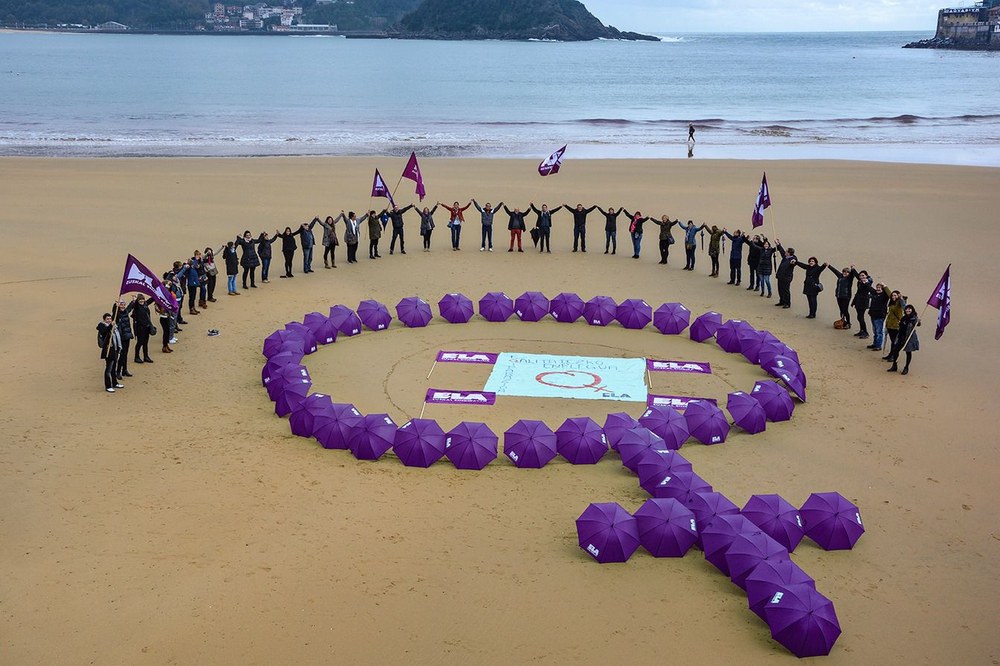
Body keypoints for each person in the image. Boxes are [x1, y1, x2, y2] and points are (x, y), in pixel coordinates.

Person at [887, 304, 920, 375]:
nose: (908, 310)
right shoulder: (903, 318)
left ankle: (906, 367)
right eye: (907, 309)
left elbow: (918, 324)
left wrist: (918, 321)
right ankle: (894, 365)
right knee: (895, 350)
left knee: (908, 352)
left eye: (909, 309)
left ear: (912, 310)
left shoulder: (914, 318)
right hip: (901, 337)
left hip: (909, 338)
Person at [97, 312, 125, 393]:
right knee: (108, 368)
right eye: (107, 319)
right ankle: (108, 386)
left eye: (110, 319)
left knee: (113, 367)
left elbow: (117, 313)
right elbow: (104, 332)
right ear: (104, 320)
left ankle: (115, 383)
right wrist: (110, 325)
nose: (109, 320)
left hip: (115, 349)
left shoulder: (114, 327)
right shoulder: (102, 326)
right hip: (108, 350)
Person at [113, 298, 135, 378]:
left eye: (123, 304)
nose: (122, 306)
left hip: (127, 336)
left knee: (125, 354)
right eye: (121, 304)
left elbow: (130, 307)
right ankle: (118, 371)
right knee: (121, 354)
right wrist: (115, 306)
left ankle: (124, 370)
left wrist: (133, 301)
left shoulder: (126, 312)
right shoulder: (117, 314)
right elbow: (114, 312)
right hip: (121, 337)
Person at [850, 266, 874, 339]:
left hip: (863, 302)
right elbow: (857, 275)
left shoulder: (868, 282)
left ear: (866, 276)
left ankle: (865, 332)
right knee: (859, 317)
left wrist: (865, 283)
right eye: (860, 275)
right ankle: (862, 330)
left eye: (863, 275)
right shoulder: (860, 281)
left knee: (861, 317)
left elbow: (870, 289)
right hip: (858, 301)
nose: (861, 276)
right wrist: (853, 269)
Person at [882, 290, 906, 360]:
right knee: (893, 341)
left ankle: (893, 356)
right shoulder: (891, 302)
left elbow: (904, 306)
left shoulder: (899, 302)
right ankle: (891, 354)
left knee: (895, 342)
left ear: (898, 295)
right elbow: (889, 294)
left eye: (895, 295)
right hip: (889, 325)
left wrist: (901, 298)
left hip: (896, 326)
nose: (893, 297)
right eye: (892, 295)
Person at [131, 294, 154, 364]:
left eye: (142, 299)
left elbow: (151, 299)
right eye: (140, 300)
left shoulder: (145, 305)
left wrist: (156, 293)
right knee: (139, 342)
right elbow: (134, 306)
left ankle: (146, 356)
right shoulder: (137, 307)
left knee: (145, 343)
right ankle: (136, 357)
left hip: (147, 327)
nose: (142, 301)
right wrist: (134, 301)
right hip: (140, 328)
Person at [774, 241, 797, 308]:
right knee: (780, 289)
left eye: (786, 251)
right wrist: (778, 244)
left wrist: (794, 262)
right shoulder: (785, 257)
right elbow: (781, 251)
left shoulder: (792, 259)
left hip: (786, 278)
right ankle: (782, 301)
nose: (785, 252)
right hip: (780, 276)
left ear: (789, 253)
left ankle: (787, 303)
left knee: (785, 290)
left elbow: (794, 262)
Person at [868, 282, 890, 351]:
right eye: (877, 287)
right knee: (875, 331)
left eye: (879, 288)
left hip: (880, 316)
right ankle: (875, 344)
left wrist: (885, 285)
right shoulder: (874, 294)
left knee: (879, 331)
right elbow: (868, 287)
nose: (878, 289)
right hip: (873, 315)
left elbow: (890, 294)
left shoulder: (884, 295)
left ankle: (878, 346)